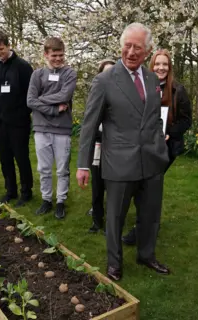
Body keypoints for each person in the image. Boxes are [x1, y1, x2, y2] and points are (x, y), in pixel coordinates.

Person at [76, 22, 170, 281]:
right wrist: (83, 165)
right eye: (127, 46)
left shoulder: (152, 79)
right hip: (118, 162)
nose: (131, 52)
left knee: (150, 214)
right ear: (121, 46)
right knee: (115, 217)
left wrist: (160, 148)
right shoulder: (104, 80)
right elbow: (89, 124)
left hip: (151, 160)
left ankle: (146, 254)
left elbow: (152, 118)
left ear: (147, 50)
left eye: (137, 47)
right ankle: (114, 263)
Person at [122, 48, 192, 244]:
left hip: (166, 149)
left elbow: (186, 121)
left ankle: (143, 229)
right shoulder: (141, 87)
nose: (161, 68)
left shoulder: (178, 90)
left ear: (169, 68)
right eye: (157, 64)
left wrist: (170, 132)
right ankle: (146, 224)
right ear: (151, 66)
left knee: (150, 187)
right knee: (140, 186)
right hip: (143, 146)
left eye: (165, 64)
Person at [27, 37, 77, 219]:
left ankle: (61, 201)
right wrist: (55, 109)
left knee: (63, 168)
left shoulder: (70, 74)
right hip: (41, 128)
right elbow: (29, 101)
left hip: (62, 129)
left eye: (61, 55)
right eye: (54, 55)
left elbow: (65, 94)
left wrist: (40, 100)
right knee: (44, 168)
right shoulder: (37, 75)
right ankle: (46, 199)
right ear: (46, 54)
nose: (58, 59)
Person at [0, 30, 34, 207]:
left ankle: (26, 191)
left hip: (18, 122)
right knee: (5, 157)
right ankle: (10, 190)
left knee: (21, 157)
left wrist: (22, 114)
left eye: (1, 48)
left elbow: (31, 94)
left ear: (8, 45)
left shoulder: (22, 66)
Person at [87, 59, 116, 233]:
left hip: (115, 148)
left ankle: (112, 223)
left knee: (113, 187)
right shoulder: (96, 95)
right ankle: (97, 220)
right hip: (98, 145)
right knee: (97, 184)